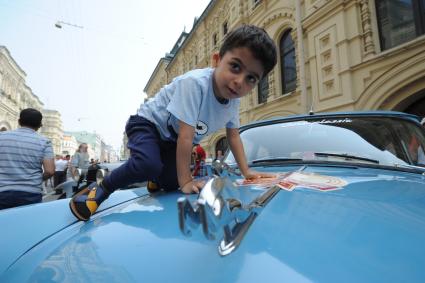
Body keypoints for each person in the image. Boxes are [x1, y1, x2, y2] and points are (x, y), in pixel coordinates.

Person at [70, 24, 277, 221]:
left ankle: (156, 178)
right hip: (148, 124)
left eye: (251, 78)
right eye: (235, 67)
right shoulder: (195, 84)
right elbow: (186, 137)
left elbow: (233, 137)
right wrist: (186, 181)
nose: (239, 81)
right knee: (149, 164)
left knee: (170, 183)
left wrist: (246, 171)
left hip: (170, 139)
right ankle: (100, 189)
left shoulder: (233, 101)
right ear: (216, 60)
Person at [0, 108, 55, 209]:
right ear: (40, 125)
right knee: (27, 224)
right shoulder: (44, 142)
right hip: (30, 193)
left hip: (2, 191)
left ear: (19, 121)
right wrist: (37, 179)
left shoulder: (2, 137)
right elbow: (50, 171)